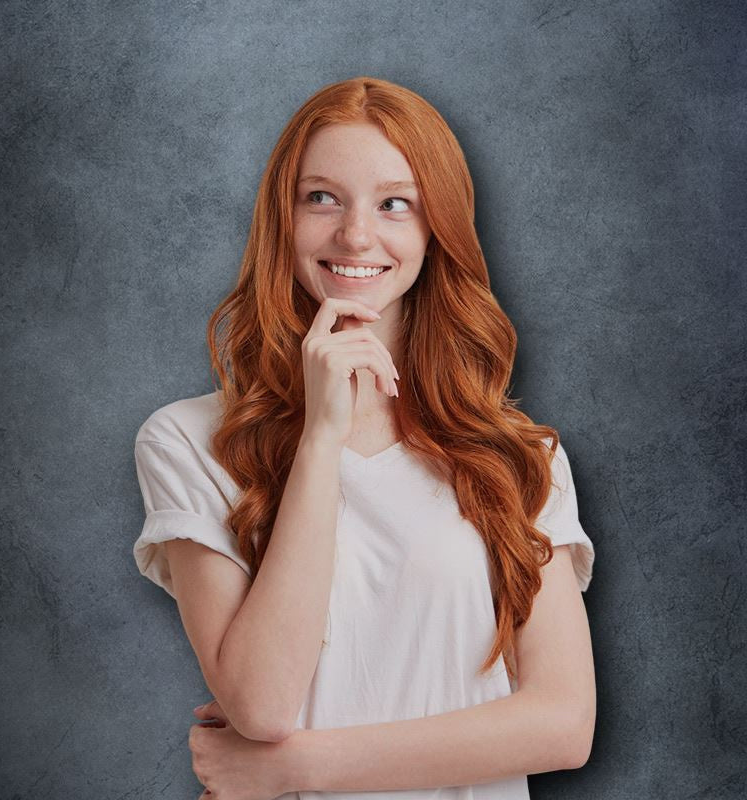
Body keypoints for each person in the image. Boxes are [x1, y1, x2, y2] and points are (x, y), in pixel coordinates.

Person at [133, 76, 596, 800]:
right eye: (321, 197)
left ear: (434, 228)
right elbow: (260, 703)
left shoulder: (521, 457)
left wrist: (295, 767)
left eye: (395, 204)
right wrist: (321, 440)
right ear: (281, 221)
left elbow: (563, 725)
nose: (355, 235)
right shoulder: (188, 442)